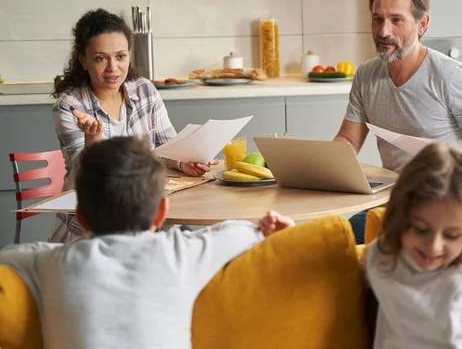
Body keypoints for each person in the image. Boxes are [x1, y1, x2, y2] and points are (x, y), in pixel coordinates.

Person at [0, 136, 295, 349]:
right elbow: (232, 234)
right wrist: (260, 229)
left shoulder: (53, 263)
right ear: (161, 213)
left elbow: (11, 255)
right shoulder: (179, 252)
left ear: (81, 217)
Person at [334, 0, 462, 243]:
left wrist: (460, 171)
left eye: (396, 20)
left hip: (446, 203)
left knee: (362, 249)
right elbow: (348, 140)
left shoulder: (451, 77)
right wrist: (325, 168)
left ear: (422, 24)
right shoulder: (366, 75)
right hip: (395, 201)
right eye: (377, 19)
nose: (384, 31)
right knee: (336, 243)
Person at [50, 8, 217, 243]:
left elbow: (166, 147)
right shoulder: (70, 105)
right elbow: (86, 180)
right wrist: (92, 140)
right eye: (100, 58)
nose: (113, 68)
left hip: (148, 218)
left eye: (120, 56)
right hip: (93, 229)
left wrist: (183, 161)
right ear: (83, 61)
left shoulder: (144, 89)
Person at [362, 143, 462, 348]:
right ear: (401, 217)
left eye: (452, 235)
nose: (434, 247)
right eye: (421, 229)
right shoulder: (382, 256)